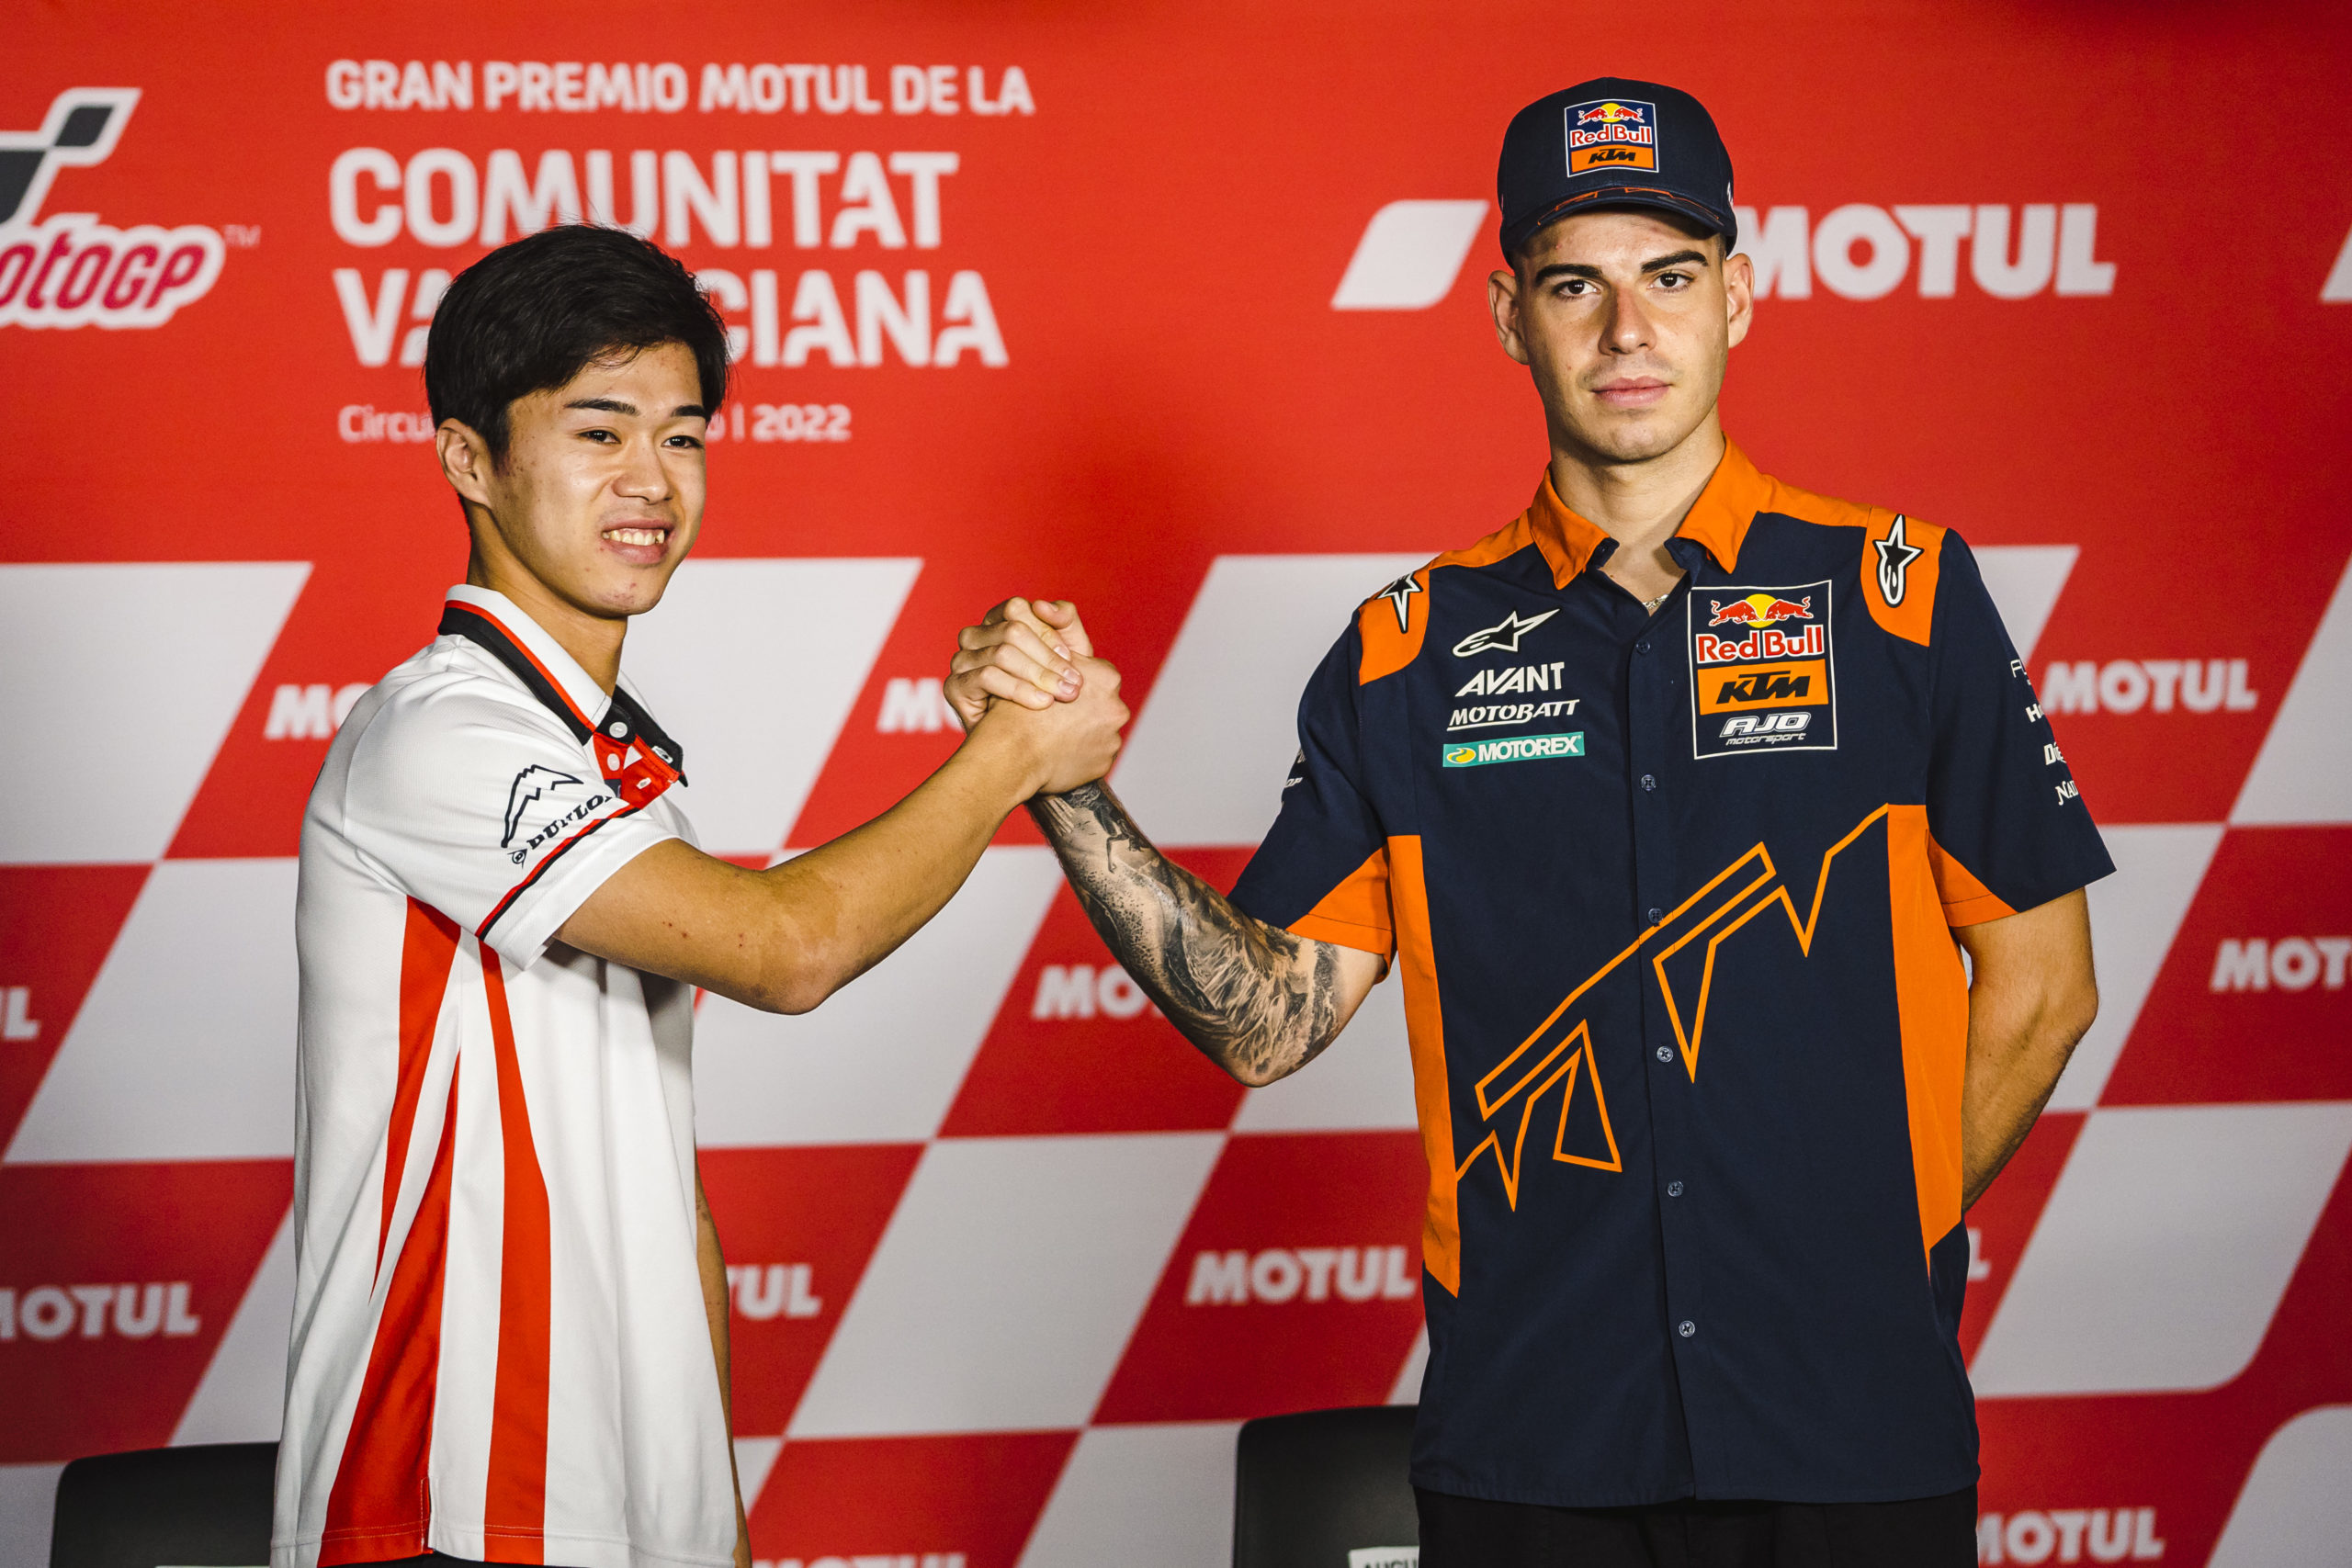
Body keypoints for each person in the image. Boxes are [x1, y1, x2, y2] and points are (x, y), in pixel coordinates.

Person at [950, 79, 2108, 1567]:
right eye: (1577, 283)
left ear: (1739, 299)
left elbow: (2046, 983)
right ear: (1508, 315)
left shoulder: (1902, 598)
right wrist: (1057, 783)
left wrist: (1863, 1248)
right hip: (1533, 1446)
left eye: (1669, 275)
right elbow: (1269, 1020)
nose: (1628, 330)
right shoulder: (1404, 655)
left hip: (1852, 1434)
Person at [273, 225, 1126, 1568]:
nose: (652, 482)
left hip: (631, 1522)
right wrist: (1014, 751)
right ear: (468, 460)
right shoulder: (438, 730)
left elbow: (675, 1208)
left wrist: (708, 1520)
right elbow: (790, 949)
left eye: (682, 437)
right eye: (599, 432)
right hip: (447, 1508)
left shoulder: (612, 764)